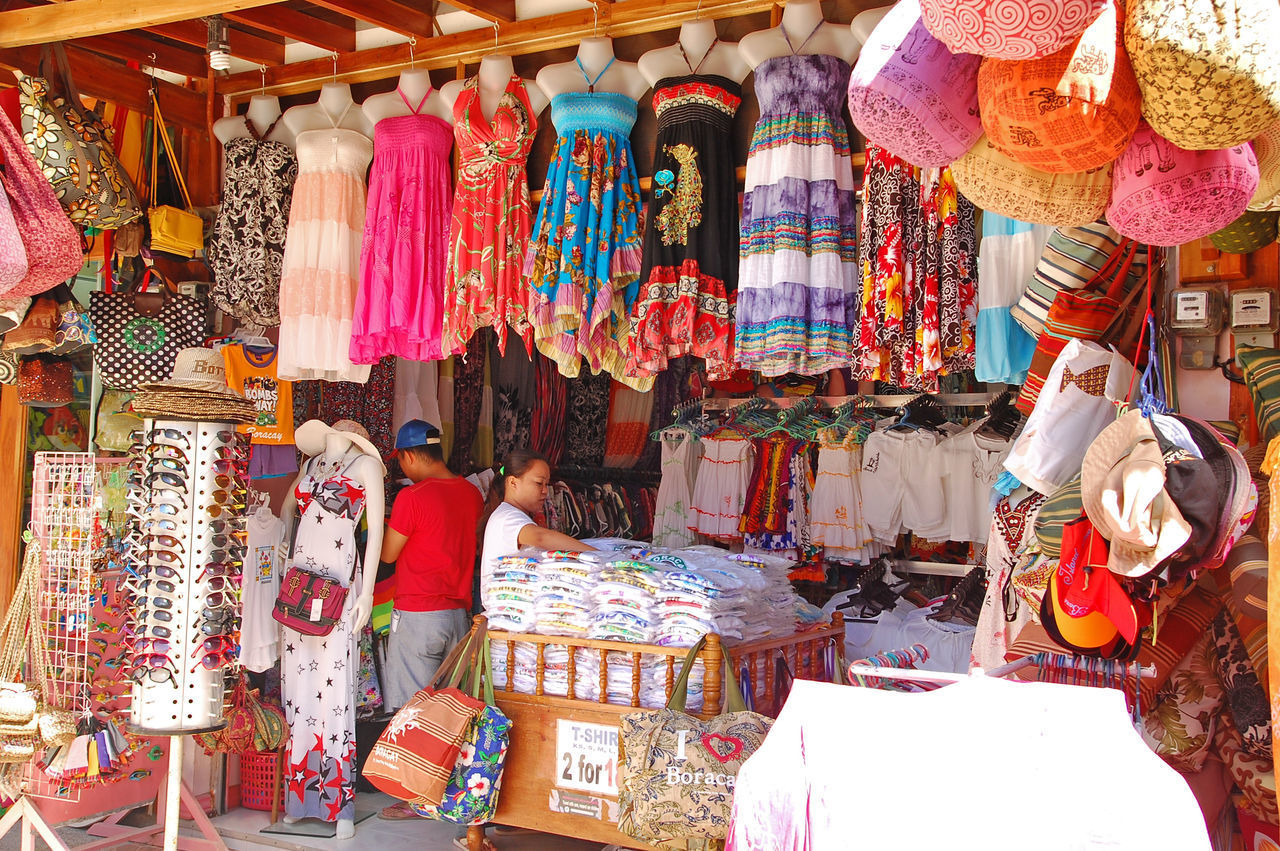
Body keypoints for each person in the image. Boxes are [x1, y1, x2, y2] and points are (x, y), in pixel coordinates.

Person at [376, 420, 484, 822]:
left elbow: (388, 555)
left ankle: (416, 797)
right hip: (458, 614)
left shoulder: (412, 498)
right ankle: (450, 787)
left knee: (414, 709)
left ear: (409, 455)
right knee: (451, 708)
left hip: (418, 614)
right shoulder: (471, 494)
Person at [481, 448, 595, 589]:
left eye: (546, 484)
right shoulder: (507, 516)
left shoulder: (510, 514)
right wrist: (599, 556)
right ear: (513, 483)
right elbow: (540, 537)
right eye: (539, 483)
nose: (545, 491)